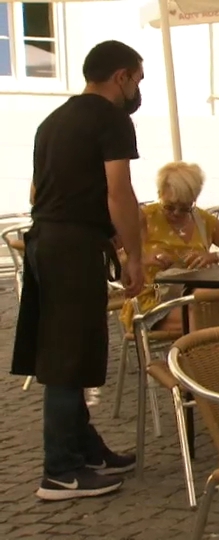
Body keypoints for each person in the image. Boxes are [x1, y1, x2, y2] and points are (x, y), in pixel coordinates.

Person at [11, 40, 147, 501]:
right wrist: (134, 254)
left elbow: (36, 191)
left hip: (46, 240)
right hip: (72, 246)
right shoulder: (111, 119)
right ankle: (60, 470)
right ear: (121, 77)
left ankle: (87, 450)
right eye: (138, 80)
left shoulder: (55, 119)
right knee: (67, 357)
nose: (138, 90)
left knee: (73, 348)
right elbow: (119, 192)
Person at [119, 161, 219, 332]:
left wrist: (215, 256)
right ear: (159, 194)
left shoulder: (204, 221)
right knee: (207, 313)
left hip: (197, 296)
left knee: (218, 305)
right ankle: (200, 357)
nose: (176, 213)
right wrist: (141, 259)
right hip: (152, 301)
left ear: (194, 200)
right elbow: (116, 260)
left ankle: (209, 356)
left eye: (184, 208)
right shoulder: (146, 217)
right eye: (169, 207)